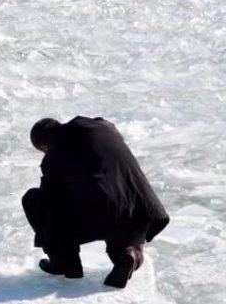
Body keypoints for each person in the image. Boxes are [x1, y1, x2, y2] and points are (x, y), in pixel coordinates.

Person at [22, 116, 169, 288]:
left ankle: (65, 263)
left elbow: (49, 201)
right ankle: (130, 256)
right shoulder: (103, 126)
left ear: (44, 145)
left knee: (34, 200)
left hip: (103, 215)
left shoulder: (53, 157)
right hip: (142, 210)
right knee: (121, 250)